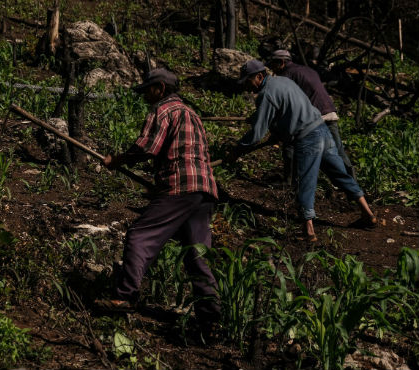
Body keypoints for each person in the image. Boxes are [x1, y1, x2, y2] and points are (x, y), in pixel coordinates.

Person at [94, 68, 221, 328]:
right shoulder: (192, 114)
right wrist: (159, 186)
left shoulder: (163, 110)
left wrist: (119, 160)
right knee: (197, 253)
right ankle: (211, 316)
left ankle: (125, 296)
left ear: (160, 89)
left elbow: (147, 147)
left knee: (139, 236)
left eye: (148, 90)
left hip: (180, 188)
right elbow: (183, 154)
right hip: (204, 190)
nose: (144, 96)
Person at [226, 60, 377, 241]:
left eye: (248, 81)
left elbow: (257, 133)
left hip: (308, 138)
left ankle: (308, 231)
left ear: (259, 76)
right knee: (340, 174)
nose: (247, 87)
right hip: (323, 130)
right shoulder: (284, 81)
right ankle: (367, 213)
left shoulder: (266, 94)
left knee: (305, 181)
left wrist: (237, 150)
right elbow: (287, 111)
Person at [267, 49, 355, 183]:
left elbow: (284, 104)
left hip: (314, 117)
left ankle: (289, 182)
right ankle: (352, 182)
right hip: (329, 112)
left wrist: (277, 129)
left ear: (282, 62)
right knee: (338, 149)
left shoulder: (286, 75)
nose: (272, 68)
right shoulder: (307, 70)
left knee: (290, 145)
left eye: (273, 64)